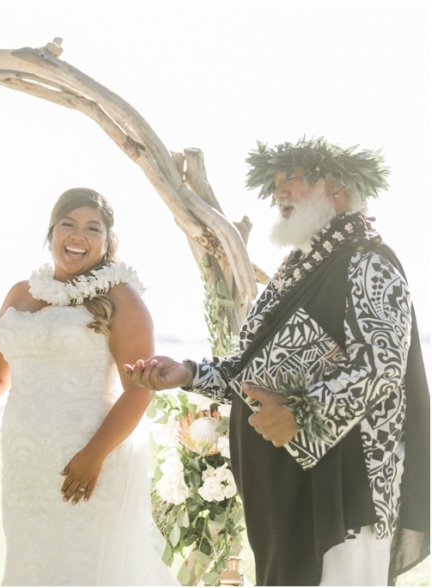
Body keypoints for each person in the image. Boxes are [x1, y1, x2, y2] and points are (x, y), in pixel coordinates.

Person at [128, 137, 429, 585]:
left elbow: (380, 366)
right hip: (290, 490)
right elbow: (254, 369)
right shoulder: (297, 268)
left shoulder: (368, 263)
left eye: (294, 180)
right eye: (276, 182)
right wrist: (189, 373)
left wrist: (297, 414)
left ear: (338, 190)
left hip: (348, 490)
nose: (279, 191)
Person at [0, 188, 176, 585]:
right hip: (26, 472)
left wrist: (94, 454)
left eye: (93, 228)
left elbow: (138, 389)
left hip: (90, 467)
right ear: (51, 232)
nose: (78, 235)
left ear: (108, 242)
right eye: (67, 224)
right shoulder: (22, 294)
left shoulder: (122, 300)